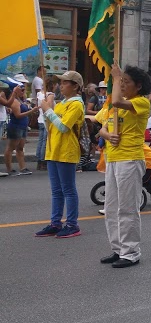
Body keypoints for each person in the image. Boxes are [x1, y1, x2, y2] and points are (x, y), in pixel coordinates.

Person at [96, 64, 151, 268]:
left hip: (130, 159)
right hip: (113, 159)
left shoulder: (141, 102)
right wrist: (108, 135)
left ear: (138, 86)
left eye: (126, 82)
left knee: (127, 208)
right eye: (122, 82)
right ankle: (118, 249)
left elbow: (117, 99)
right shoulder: (117, 105)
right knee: (111, 207)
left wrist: (116, 77)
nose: (122, 84)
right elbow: (102, 126)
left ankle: (130, 252)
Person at [34, 71, 86, 238]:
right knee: (56, 191)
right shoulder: (62, 103)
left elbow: (64, 127)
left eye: (65, 82)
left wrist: (48, 109)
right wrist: (47, 109)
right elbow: (51, 124)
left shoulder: (76, 104)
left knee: (68, 190)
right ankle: (55, 223)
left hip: (66, 151)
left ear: (75, 86)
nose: (60, 85)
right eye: (60, 82)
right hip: (53, 149)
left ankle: (72, 224)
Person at [4, 81, 39, 175]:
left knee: (20, 147)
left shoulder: (21, 100)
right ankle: (9, 168)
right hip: (16, 126)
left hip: (23, 126)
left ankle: (22, 167)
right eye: (22, 90)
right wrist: (31, 112)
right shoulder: (14, 101)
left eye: (24, 90)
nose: (23, 91)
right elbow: (18, 115)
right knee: (11, 148)